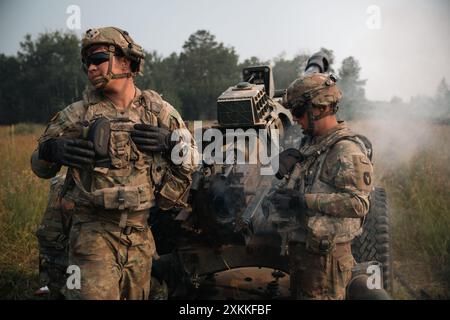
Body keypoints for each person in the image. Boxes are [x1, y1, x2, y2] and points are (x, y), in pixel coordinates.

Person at [30, 27, 198, 300]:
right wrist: (50, 149)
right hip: (93, 232)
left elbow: (193, 158)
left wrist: (172, 142)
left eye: (98, 59)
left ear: (126, 61)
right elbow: (39, 168)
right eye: (87, 63)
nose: (91, 68)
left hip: (141, 235)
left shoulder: (158, 112)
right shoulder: (77, 114)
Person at [270, 72, 374, 299]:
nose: (295, 119)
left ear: (318, 108)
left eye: (298, 112)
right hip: (307, 257)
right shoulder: (312, 145)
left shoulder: (345, 150)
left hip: (326, 264)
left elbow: (358, 204)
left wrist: (302, 201)